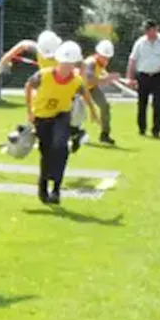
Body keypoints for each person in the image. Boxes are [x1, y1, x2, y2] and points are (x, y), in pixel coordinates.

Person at [25, 41, 100, 204]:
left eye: (70, 64)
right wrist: (29, 110)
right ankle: (43, 186)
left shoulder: (76, 80)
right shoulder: (43, 75)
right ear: (58, 61)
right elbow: (29, 86)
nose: (66, 68)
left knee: (60, 147)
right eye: (64, 63)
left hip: (61, 115)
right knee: (46, 152)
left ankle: (56, 189)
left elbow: (85, 92)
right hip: (42, 117)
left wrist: (93, 112)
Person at [124, 19, 160, 139]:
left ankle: (156, 131)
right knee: (142, 104)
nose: (146, 32)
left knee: (157, 104)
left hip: (158, 76)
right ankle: (142, 129)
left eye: (149, 29)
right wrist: (129, 78)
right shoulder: (140, 42)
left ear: (155, 29)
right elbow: (132, 60)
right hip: (143, 76)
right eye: (145, 30)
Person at [82, 39, 118, 145]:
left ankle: (105, 135)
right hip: (79, 89)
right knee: (76, 111)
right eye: (104, 56)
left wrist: (105, 78)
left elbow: (95, 78)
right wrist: (107, 79)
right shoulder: (91, 63)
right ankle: (73, 133)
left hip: (92, 88)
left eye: (108, 57)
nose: (106, 60)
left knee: (105, 106)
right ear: (97, 53)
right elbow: (89, 79)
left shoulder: (101, 63)